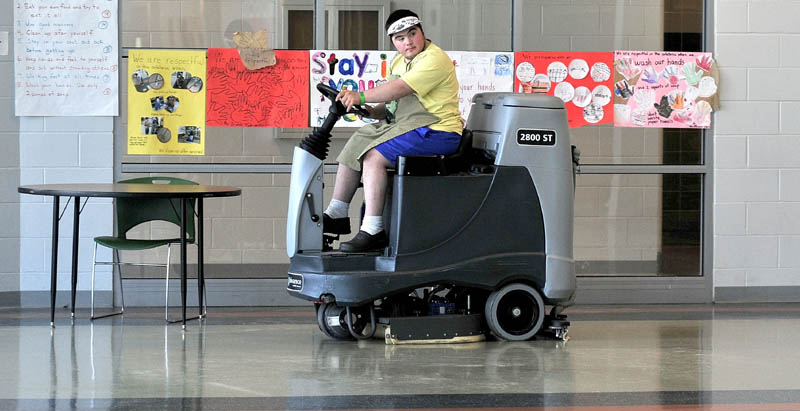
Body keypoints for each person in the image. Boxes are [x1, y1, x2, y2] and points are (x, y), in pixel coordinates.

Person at [323, 9, 462, 253]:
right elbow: (390, 104)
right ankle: (337, 212)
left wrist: (359, 95)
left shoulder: (434, 59)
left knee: (374, 157)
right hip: (409, 125)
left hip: (437, 130)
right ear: (393, 42)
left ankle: (373, 230)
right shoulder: (399, 62)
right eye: (400, 38)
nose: (408, 41)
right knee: (357, 141)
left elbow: (399, 88)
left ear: (422, 32)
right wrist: (367, 110)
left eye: (412, 33)